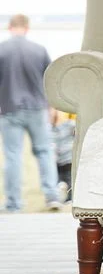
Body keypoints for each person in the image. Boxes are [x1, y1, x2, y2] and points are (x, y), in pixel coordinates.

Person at [0, 14, 63, 212]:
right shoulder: (39, 50)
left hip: (9, 109)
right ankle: (52, 196)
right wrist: (52, 108)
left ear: (10, 27)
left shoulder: (2, 50)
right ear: (26, 28)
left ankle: (13, 203)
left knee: (12, 156)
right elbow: (51, 81)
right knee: (44, 152)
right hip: (37, 108)